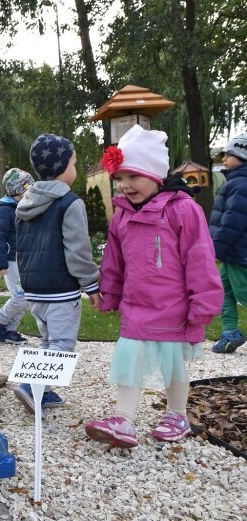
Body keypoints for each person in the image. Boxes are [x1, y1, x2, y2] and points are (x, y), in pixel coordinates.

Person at [85, 125, 223, 448]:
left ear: (155, 173)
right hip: (136, 305)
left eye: (133, 176)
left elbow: (200, 256)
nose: (125, 185)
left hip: (174, 306)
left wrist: (202, 301)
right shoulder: (121, 217)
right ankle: (124, 417)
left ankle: (177, 414)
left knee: (172, 362)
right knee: (128, 356)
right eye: (120, 178)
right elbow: (114, 262)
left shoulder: (182, 209)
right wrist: (112, 293)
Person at [14, 133, 102, 414]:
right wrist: (91, 284)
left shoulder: (25, 203)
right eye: (74, 163)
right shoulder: (69, 203)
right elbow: (77, 250)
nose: (75, 169)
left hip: (34, 288)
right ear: (63, 166)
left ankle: (44, 390)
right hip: (61, 289)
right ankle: (32, 386)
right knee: (63, 343)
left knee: (48, 340)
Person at [209, 133, 247, 353]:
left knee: (243, 292)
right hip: (231, 252)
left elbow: (233, 222)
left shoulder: (241, 184)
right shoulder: (235, 181)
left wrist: (216, 250)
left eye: (229, 153)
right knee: (224, 290)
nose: (223, 157)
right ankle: (230, 332)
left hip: (238, 251)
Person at [0, 168, 34, 345]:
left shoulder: (22, 207)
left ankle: (10, 330)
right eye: (28, 188)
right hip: (10, 260)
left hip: (23, 259)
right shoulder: (4, 209)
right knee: (20, 296)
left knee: (28, 297)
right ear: (18, 190)